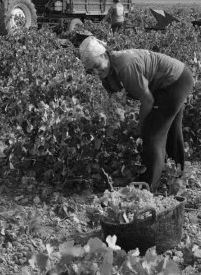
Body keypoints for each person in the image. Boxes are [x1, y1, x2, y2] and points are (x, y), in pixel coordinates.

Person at [79, 37, 193, 191]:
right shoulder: (107, 76)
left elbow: (147, 100)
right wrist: (110, 128)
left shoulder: (126, 66)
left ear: (105, 55)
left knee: (152, 134)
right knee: (170, 130)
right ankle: (176, 176)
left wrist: (140, 125)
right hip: (163, 86)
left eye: (97, 66)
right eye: (91, 70)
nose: (96, 72)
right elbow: (115, 105)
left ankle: (148, 188)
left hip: (176, 81)